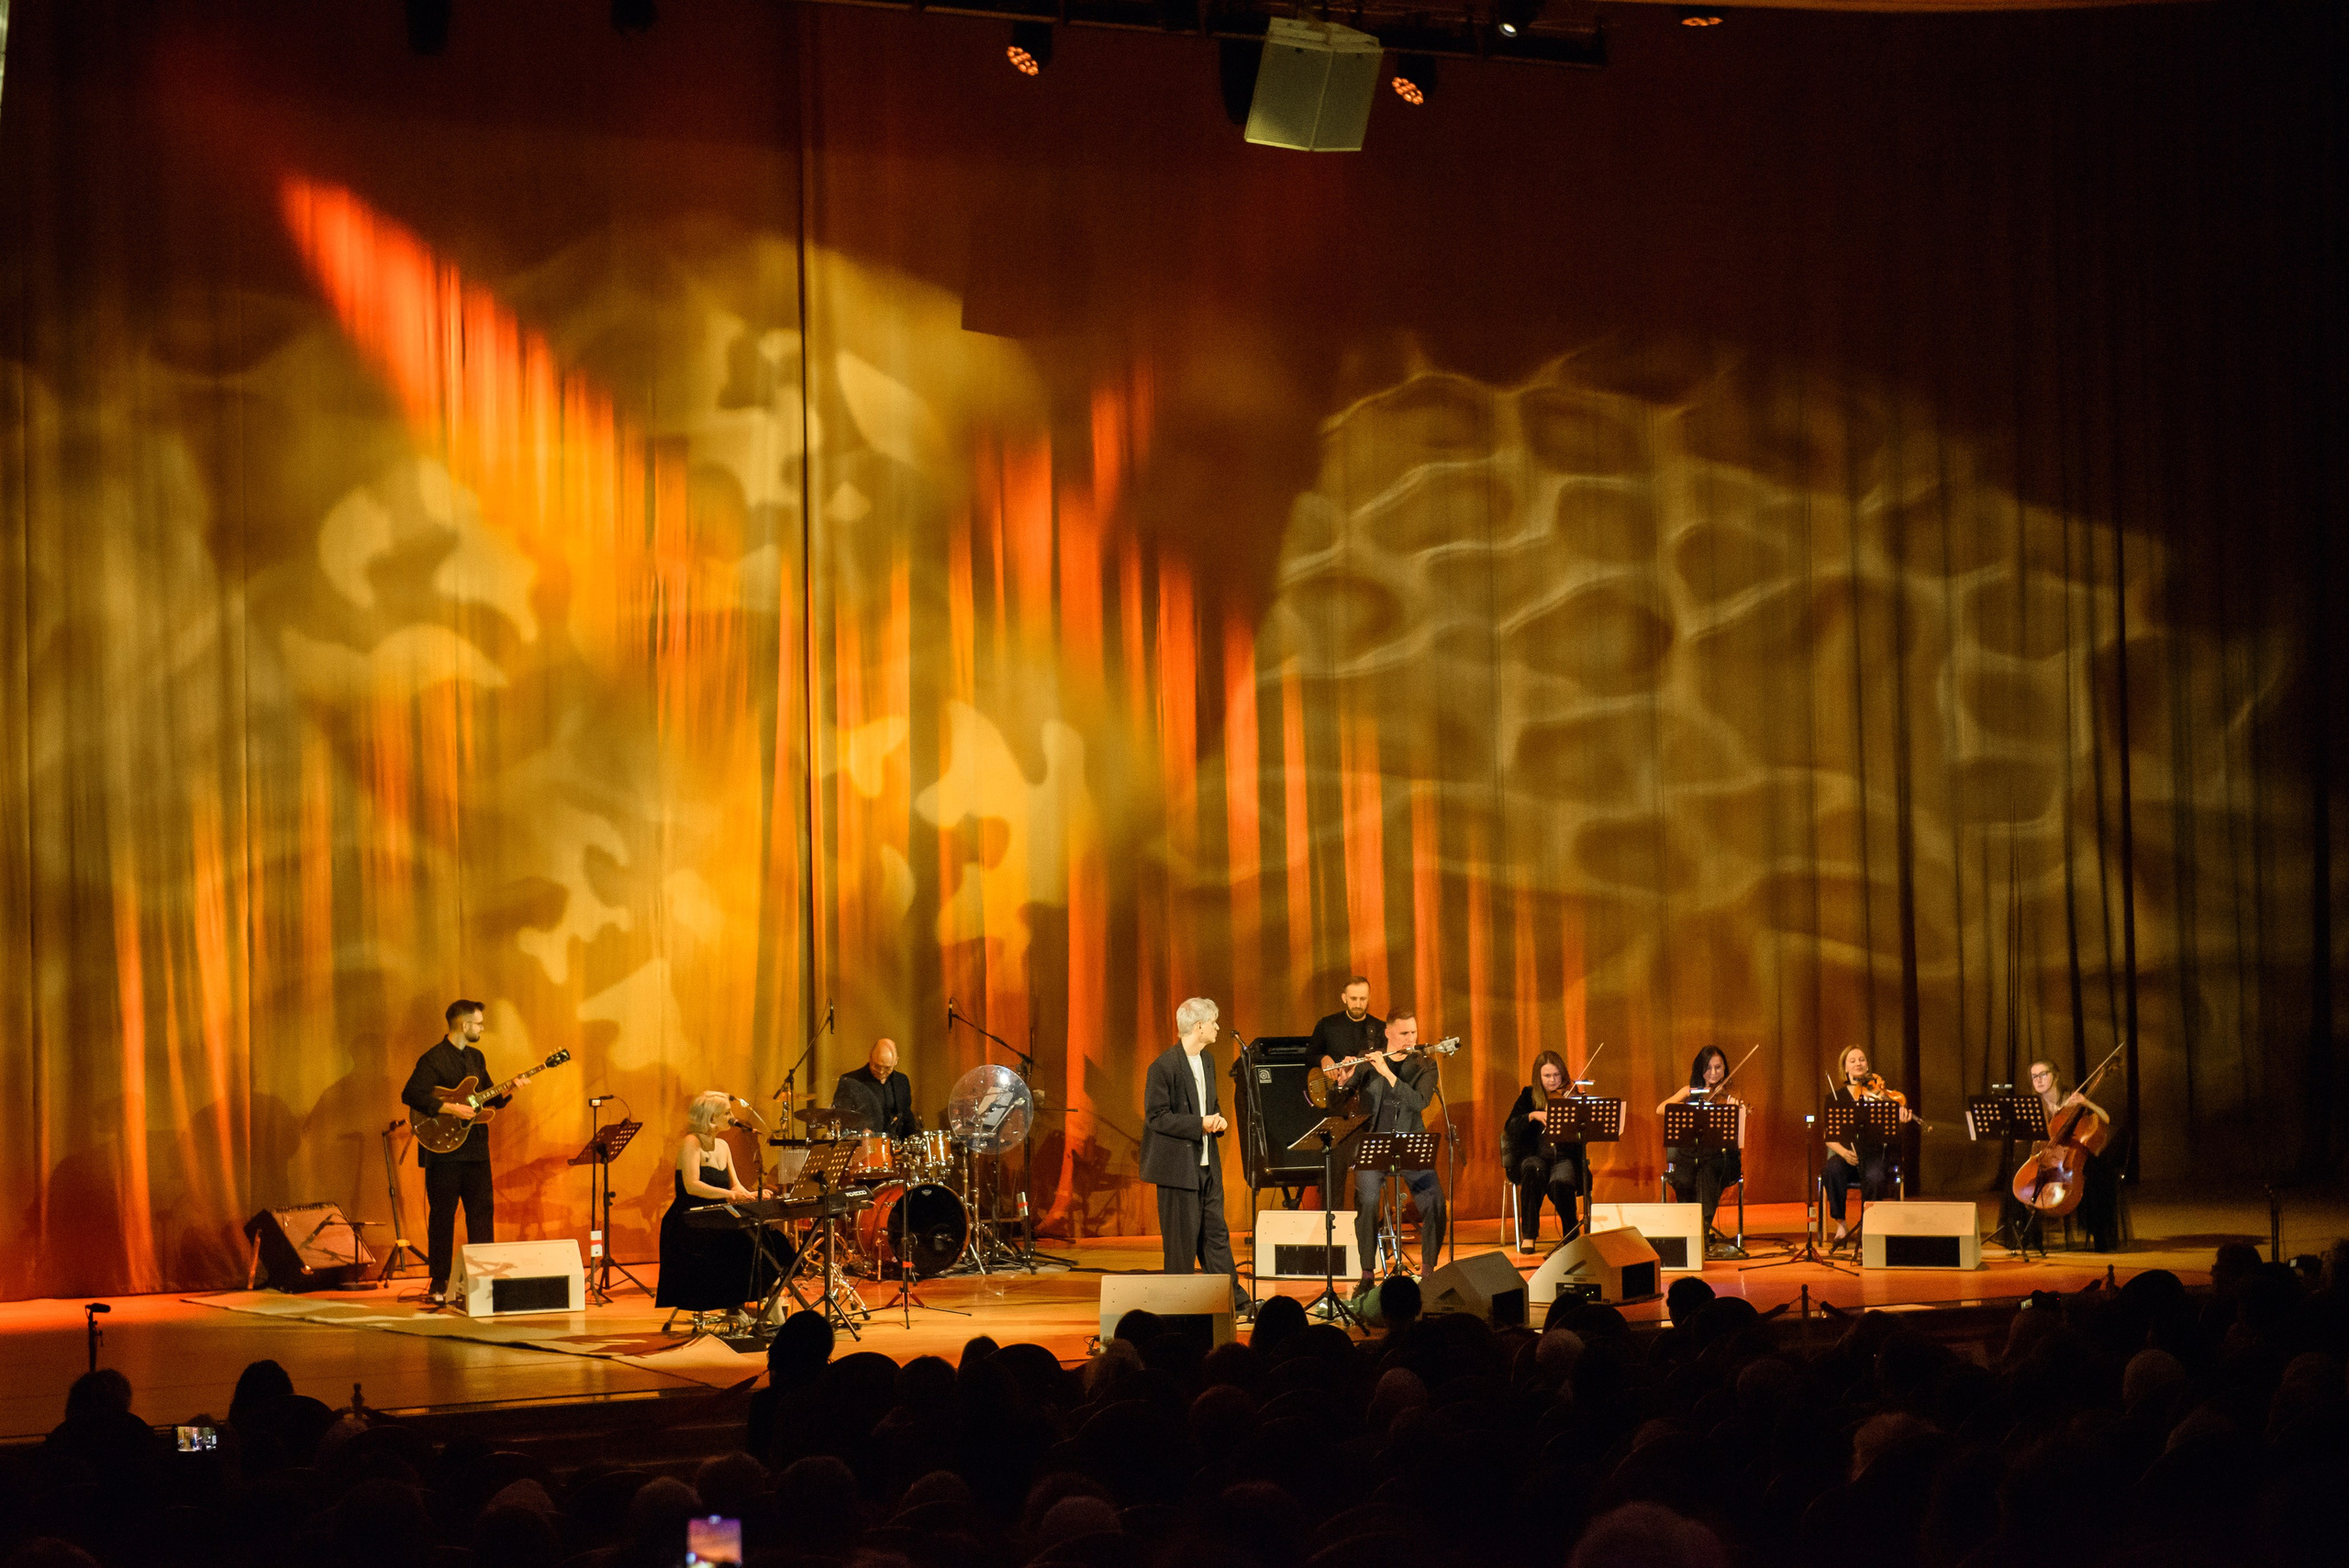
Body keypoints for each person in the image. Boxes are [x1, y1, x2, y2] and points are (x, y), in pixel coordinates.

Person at [1141, 996, 1249, 1313]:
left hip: (1207, 1166)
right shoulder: (1163, 1067)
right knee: (1181, 1244)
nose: (1217, 1027)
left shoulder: (1208, 1061)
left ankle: (1234, 1302)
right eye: (1213, 1022)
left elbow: (1209, 1105)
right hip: (1178, 1170)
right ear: (1199, 1026)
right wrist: (1199, 1123)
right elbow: (1157, 1117)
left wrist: (1217, 1119)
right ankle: (1180, 1309)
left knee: (1216, 1234)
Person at [399, 999, 508, 1305]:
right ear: (464, 1025)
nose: (482, 1028)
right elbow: (411, 1094)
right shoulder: (433, 1059)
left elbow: (488, 1098)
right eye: (479, 1024)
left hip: (476, 1149)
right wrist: (450, 1108)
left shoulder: (476, 1058)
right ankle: (439, 1282)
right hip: (443, 1152)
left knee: (482, 1214)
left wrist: (511, 1087)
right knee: (442, 1217)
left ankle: (483, 1279)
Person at [1336, 1008, 1446, 1293]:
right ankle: (1367, 1274)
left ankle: (1428, 1273)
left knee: (1434, 1201)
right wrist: (1343, 1080)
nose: (1411, 1038)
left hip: (1411, 1144)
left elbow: (1419, 1102)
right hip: (1374, 1146)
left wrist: (1386, 1073)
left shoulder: (1424, 1066)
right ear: (1388, 1033)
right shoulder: (1367, 1060)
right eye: (1404, 1033)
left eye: (1414, 1032)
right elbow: (1341, 1102)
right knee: (1367, 1201)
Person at [656, 1090, 761, 1320]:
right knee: (738, 1245)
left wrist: (750, 1194)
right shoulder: (691, 1142)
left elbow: (735, 1185)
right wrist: (730, 1195)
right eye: (727, 1113)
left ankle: (744, 1306)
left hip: (716, 1218)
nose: (732, 1117)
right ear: (712, 1118)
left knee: (760, 1242)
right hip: (690, 1221)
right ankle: (734, 1306)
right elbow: (692, 1186)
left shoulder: (723, 1145)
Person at [1822, 1045, 1910, 1250]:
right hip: (1846, 1155)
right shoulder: (1835, 1097)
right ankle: (1841, 1225)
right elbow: (1828, 1136)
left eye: (1862, 1060)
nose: (1858, 1064)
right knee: (1831, 1169)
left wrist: (1900, 1119)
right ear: (1845, 1068)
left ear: (1868, 1065)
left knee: (1875, 1176)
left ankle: (1868, 1225)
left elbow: (1890, 1130)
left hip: (1872, 1154)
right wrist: (1844, 1153)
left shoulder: (1878, 1096)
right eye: (1852, 1061)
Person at [2027, 1057, 2118, 1251]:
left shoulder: (2072, 1099)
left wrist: (2086, 1102)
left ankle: (2100, 1235)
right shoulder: (2033, 1105)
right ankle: (2029, 1237)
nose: (2038, 1080)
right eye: (2034, 1076)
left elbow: (2105, 1118)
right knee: (2021, 1178)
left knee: (2095, 1176)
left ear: (2055, 1076)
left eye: (2043, 1074)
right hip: (2044, 1156)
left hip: (2070, 1156)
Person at [1658, 1046, 1744, 1250]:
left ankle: (1701, 1231)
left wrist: (1737, 1110)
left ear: (1725, 1068)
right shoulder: (1690, 1091)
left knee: (1708, 1172)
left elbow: (1738, 1129)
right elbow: (1661, 1109)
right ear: (1700, 1069)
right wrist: (1690, 1107)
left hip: (1722, 1158)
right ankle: (1687, 1230)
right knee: (1683, 1178)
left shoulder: (1730, 1094)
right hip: (1691, 1155)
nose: (1713, 1073)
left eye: (1718, 1067)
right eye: (1708, 1068)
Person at [1504, 1050, 1584, 1253]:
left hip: (1563, 1158)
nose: (1552, 1080)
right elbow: (1511, 1126)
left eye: (1557, 1075)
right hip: (1535, 1156)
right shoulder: (1528, 1095)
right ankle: (1529, 1235)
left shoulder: (1571, 1095)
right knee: (1532, 1170)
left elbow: (1583, 1132)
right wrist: (1532, 1115)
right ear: (1538, 1076)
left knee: (1561, 1182)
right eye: (1547, 1075)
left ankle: (1570, 1232)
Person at [1309, 976, 1385, 1098]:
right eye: (1353, 999)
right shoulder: (1327, 1025)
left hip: (1369, 1096)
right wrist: (1322, 1058)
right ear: (1344, 998)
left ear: (1369, 998)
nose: (1358, 1004)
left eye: (1363, 999)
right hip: (1336, 1095)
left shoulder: (1381, 1028)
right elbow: (1309, 1056)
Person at [831, 1037, 918, 1139]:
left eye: (887, 1068)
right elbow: (840, 1118)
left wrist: (915, 1137)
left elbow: (906, 1116)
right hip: (863, 1143)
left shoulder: (902, 1081)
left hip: (894, 1143)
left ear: (896, 1062)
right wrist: (861, 1131)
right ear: (870, 1057)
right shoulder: (850, 1081)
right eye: (876, 1066)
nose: (881, 1072)